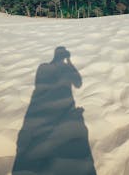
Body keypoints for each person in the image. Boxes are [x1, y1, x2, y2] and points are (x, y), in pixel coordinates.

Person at [13, 47, 96, 175]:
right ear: (63, 56)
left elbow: (38, 85)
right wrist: (70, 63)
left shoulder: (43, 67)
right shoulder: (66, 68)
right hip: (64, 112)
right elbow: (78, 84)